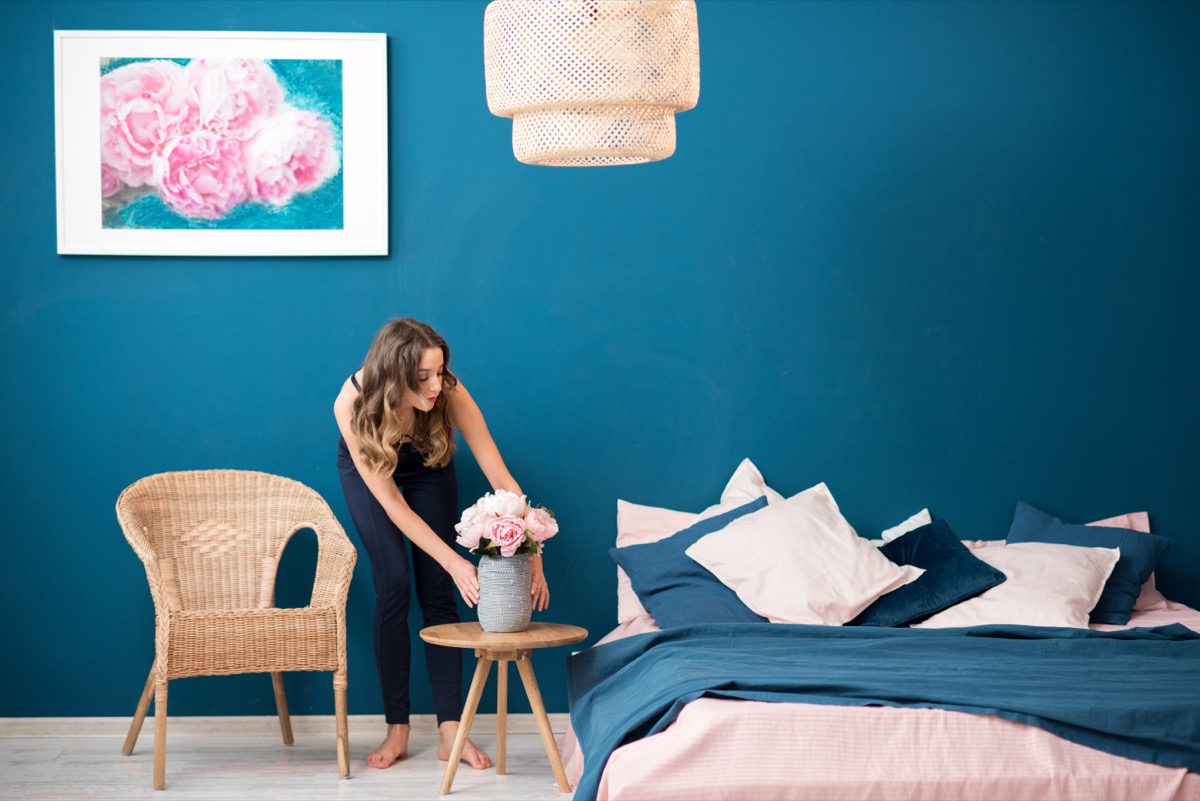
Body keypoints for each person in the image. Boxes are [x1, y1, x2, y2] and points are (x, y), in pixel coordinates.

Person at [334, 318, 550, 770]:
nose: (437, 386)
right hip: (374, 473)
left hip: (428, 463)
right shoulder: (352, 402)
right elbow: (393, 505)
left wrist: (534, 552)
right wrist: (456, 560)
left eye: (441, 372)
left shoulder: (448, 391)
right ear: (394, 377)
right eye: (423, 379)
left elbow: (500, 477)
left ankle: (452, 732)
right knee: (394, 582)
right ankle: (398, 728)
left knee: (438, 589)